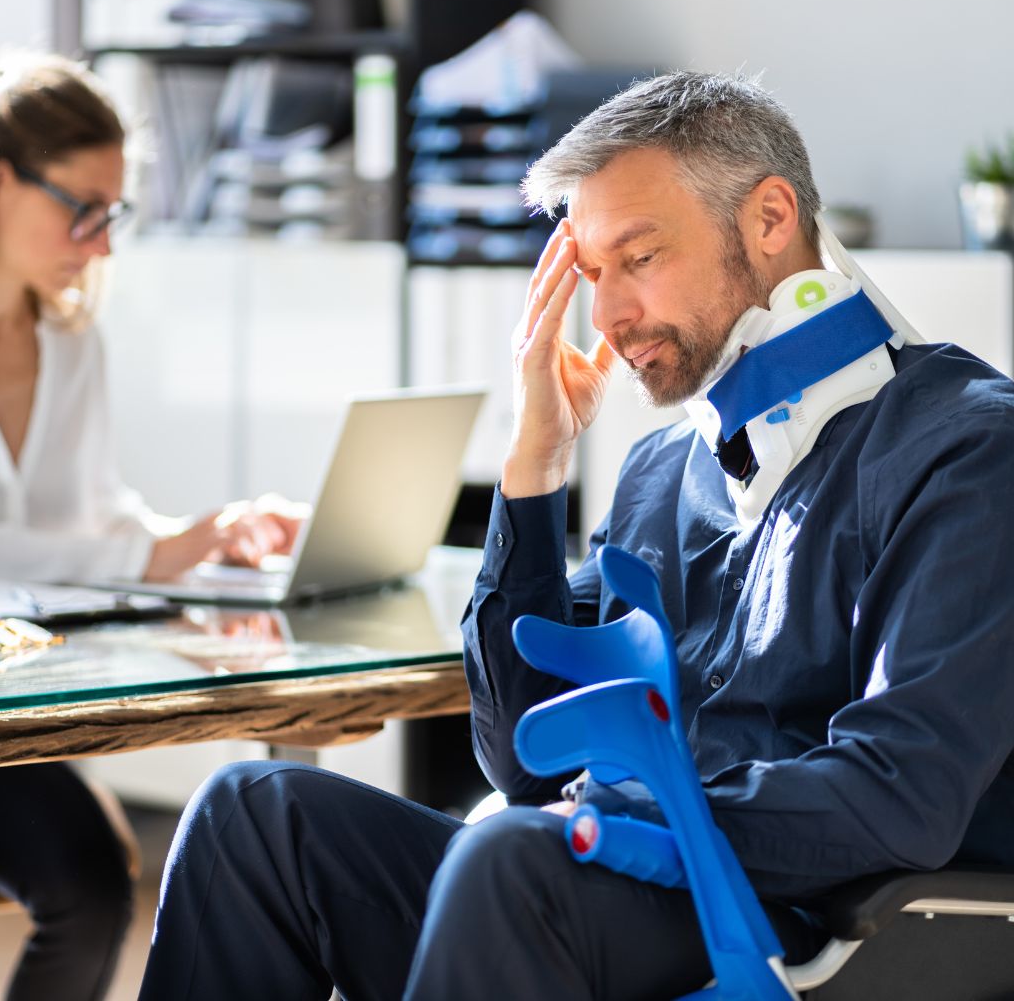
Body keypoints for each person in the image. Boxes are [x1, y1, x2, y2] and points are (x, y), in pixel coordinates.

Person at [137, 72, 1014, 1000]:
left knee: (515, 859)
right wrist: (535, 464)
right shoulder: (663, 474)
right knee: (253, 814)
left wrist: (619, 813)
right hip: (604, 887)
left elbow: (903, 792)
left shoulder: (968, 451)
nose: (608, 317)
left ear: (769, 219)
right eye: (592, 276)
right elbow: (523, 762)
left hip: (801, 929)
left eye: (638, 258)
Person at [0, 53, 304, 1000]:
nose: (99, 244)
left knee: (96, 883)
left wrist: (201, 536)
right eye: (83, 209)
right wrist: (148, 553)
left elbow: (92, 514)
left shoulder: (70, 344)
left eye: (114, 214)